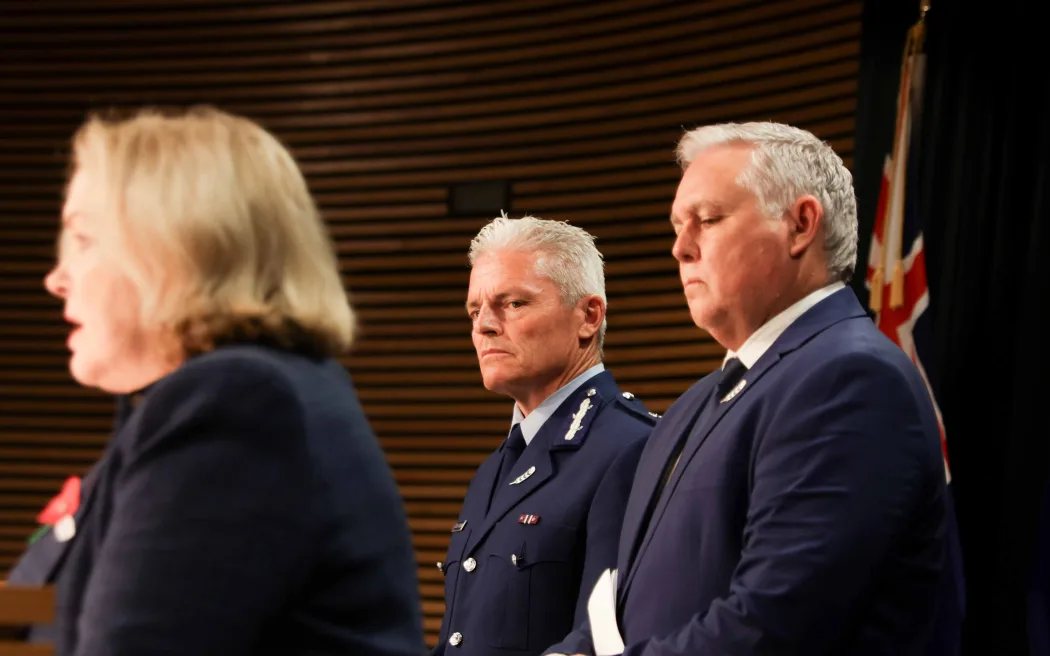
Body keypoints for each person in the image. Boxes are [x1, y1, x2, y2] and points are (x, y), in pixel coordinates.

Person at [6, 106, 425, 656]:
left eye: (83, 240)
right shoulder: (204, 402)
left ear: (181, 245)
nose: (56, 278)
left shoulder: (236, 403)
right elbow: (57, 607)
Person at [547, 122, 948, 655]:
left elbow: (772, 628)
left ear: (801, 225)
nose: (679, 248)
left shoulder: (851, 381)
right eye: (676, 226)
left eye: (707, 220)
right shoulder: (694, 405)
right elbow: (619, 610)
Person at [432, 215, 656, 656]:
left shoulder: (631, 449)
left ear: (589, 316)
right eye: (475, 310)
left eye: (512, 303)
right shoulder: (494, 469)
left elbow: (604, 640)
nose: (484, 326)